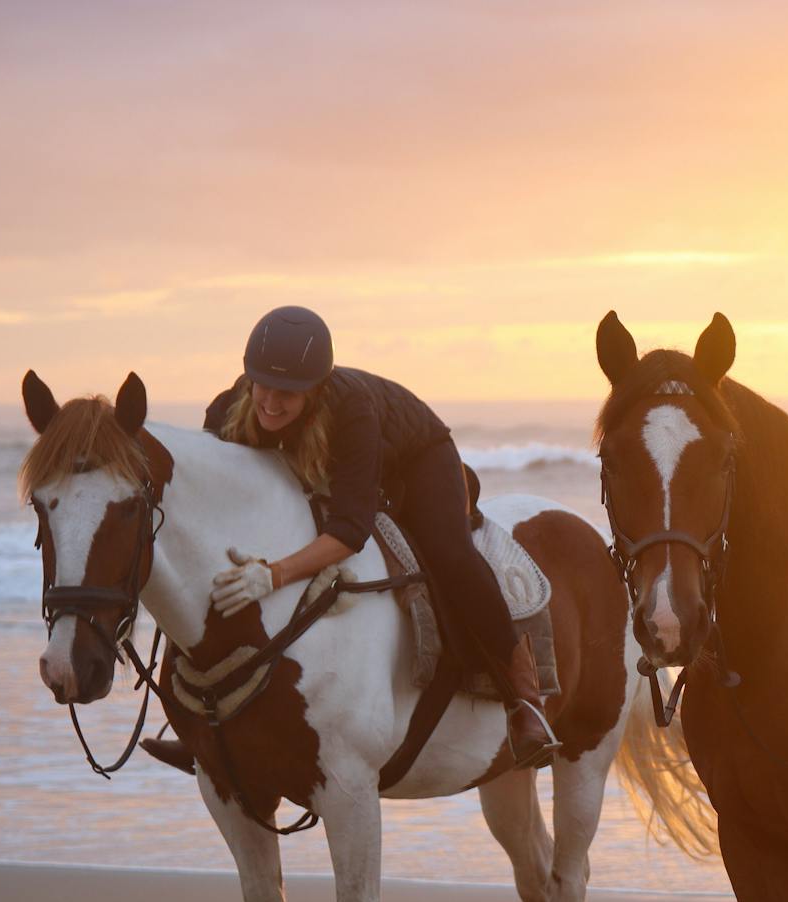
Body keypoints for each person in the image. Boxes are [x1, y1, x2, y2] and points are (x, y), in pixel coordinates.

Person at [142, 305, 557, 774]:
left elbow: (348, 532)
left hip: (415, 457)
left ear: (315, 392)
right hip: (335, 467)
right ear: (247, 378)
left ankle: (524, 701)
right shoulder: (227, 410)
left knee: (450, 554)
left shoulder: (351, 412)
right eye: (264, 387)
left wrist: (273, 575)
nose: (272, 403)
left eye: (289, 394)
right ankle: (198, 726)